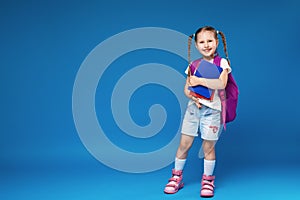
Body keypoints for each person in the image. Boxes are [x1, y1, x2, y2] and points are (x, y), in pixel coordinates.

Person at [164, 26, 232, 198]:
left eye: (210, 41)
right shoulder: (193, 65)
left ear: (216, 42)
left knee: (208, 147)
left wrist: (199, 80)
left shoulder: (222, 63)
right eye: (202, 42)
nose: (206, 45)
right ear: (196, 45)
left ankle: (208, 180)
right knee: (184, 144)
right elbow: (187, 89)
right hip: (194, 110)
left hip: (212, 111)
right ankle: (176, 177)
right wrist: (193, 97)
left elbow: (221, 84)